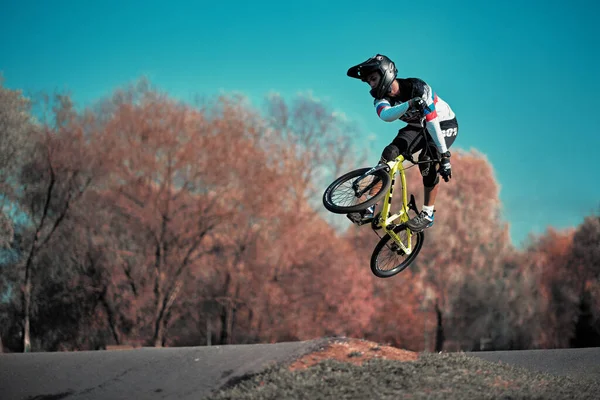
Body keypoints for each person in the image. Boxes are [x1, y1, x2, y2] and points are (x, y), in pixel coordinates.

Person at [346, 54, 459, 232]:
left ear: (386, 73)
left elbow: (432, 121)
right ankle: (369, 206)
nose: (372, 85)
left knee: (427, 159)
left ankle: (428, 214)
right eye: (369, 82)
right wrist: (408, 105)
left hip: (442, 124)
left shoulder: (418, 87)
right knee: (389, 153)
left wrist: (444, 156)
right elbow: (386, 116)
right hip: (416, 126)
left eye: (374, 79)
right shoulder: (380, 99)